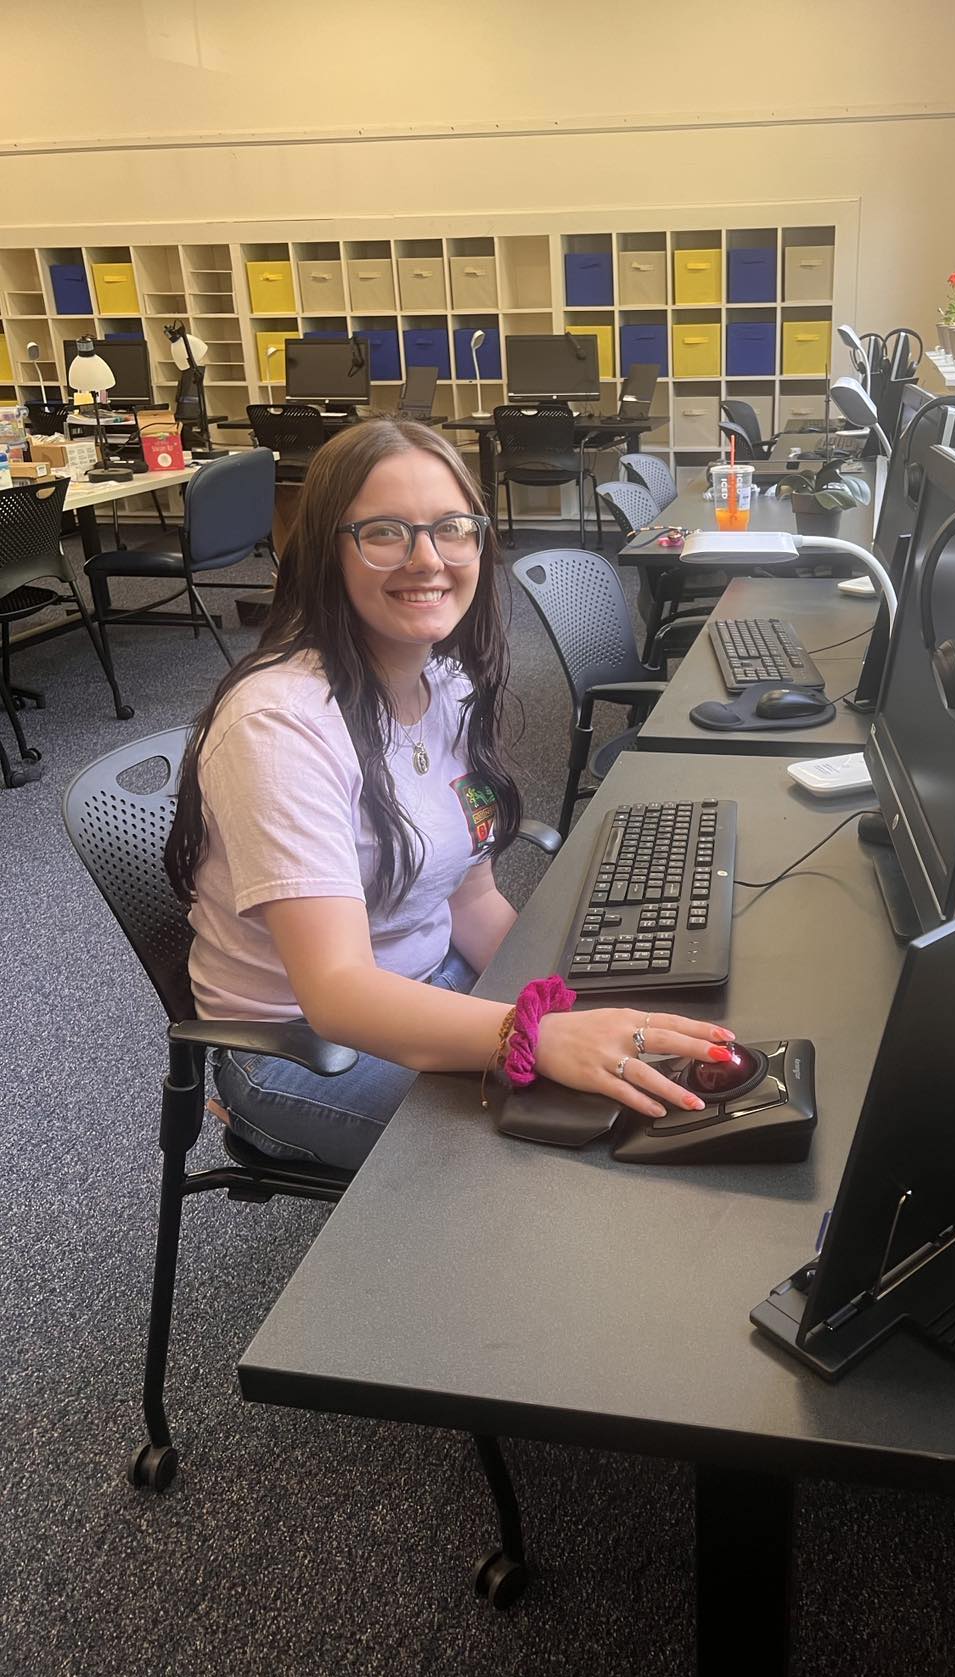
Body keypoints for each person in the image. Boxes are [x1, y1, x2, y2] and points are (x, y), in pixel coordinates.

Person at [165, 418, 733, 1172]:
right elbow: (336, 992)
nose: (428, 558)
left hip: (438, 981)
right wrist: (537, 1038)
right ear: (325, 553)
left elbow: (471, 903)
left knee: (647, 1071)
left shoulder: (444, 682)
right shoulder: (280, 727)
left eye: (452, 528)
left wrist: (564, 1009)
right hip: (303, 1051)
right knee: (588, 1144)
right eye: (385, 532)